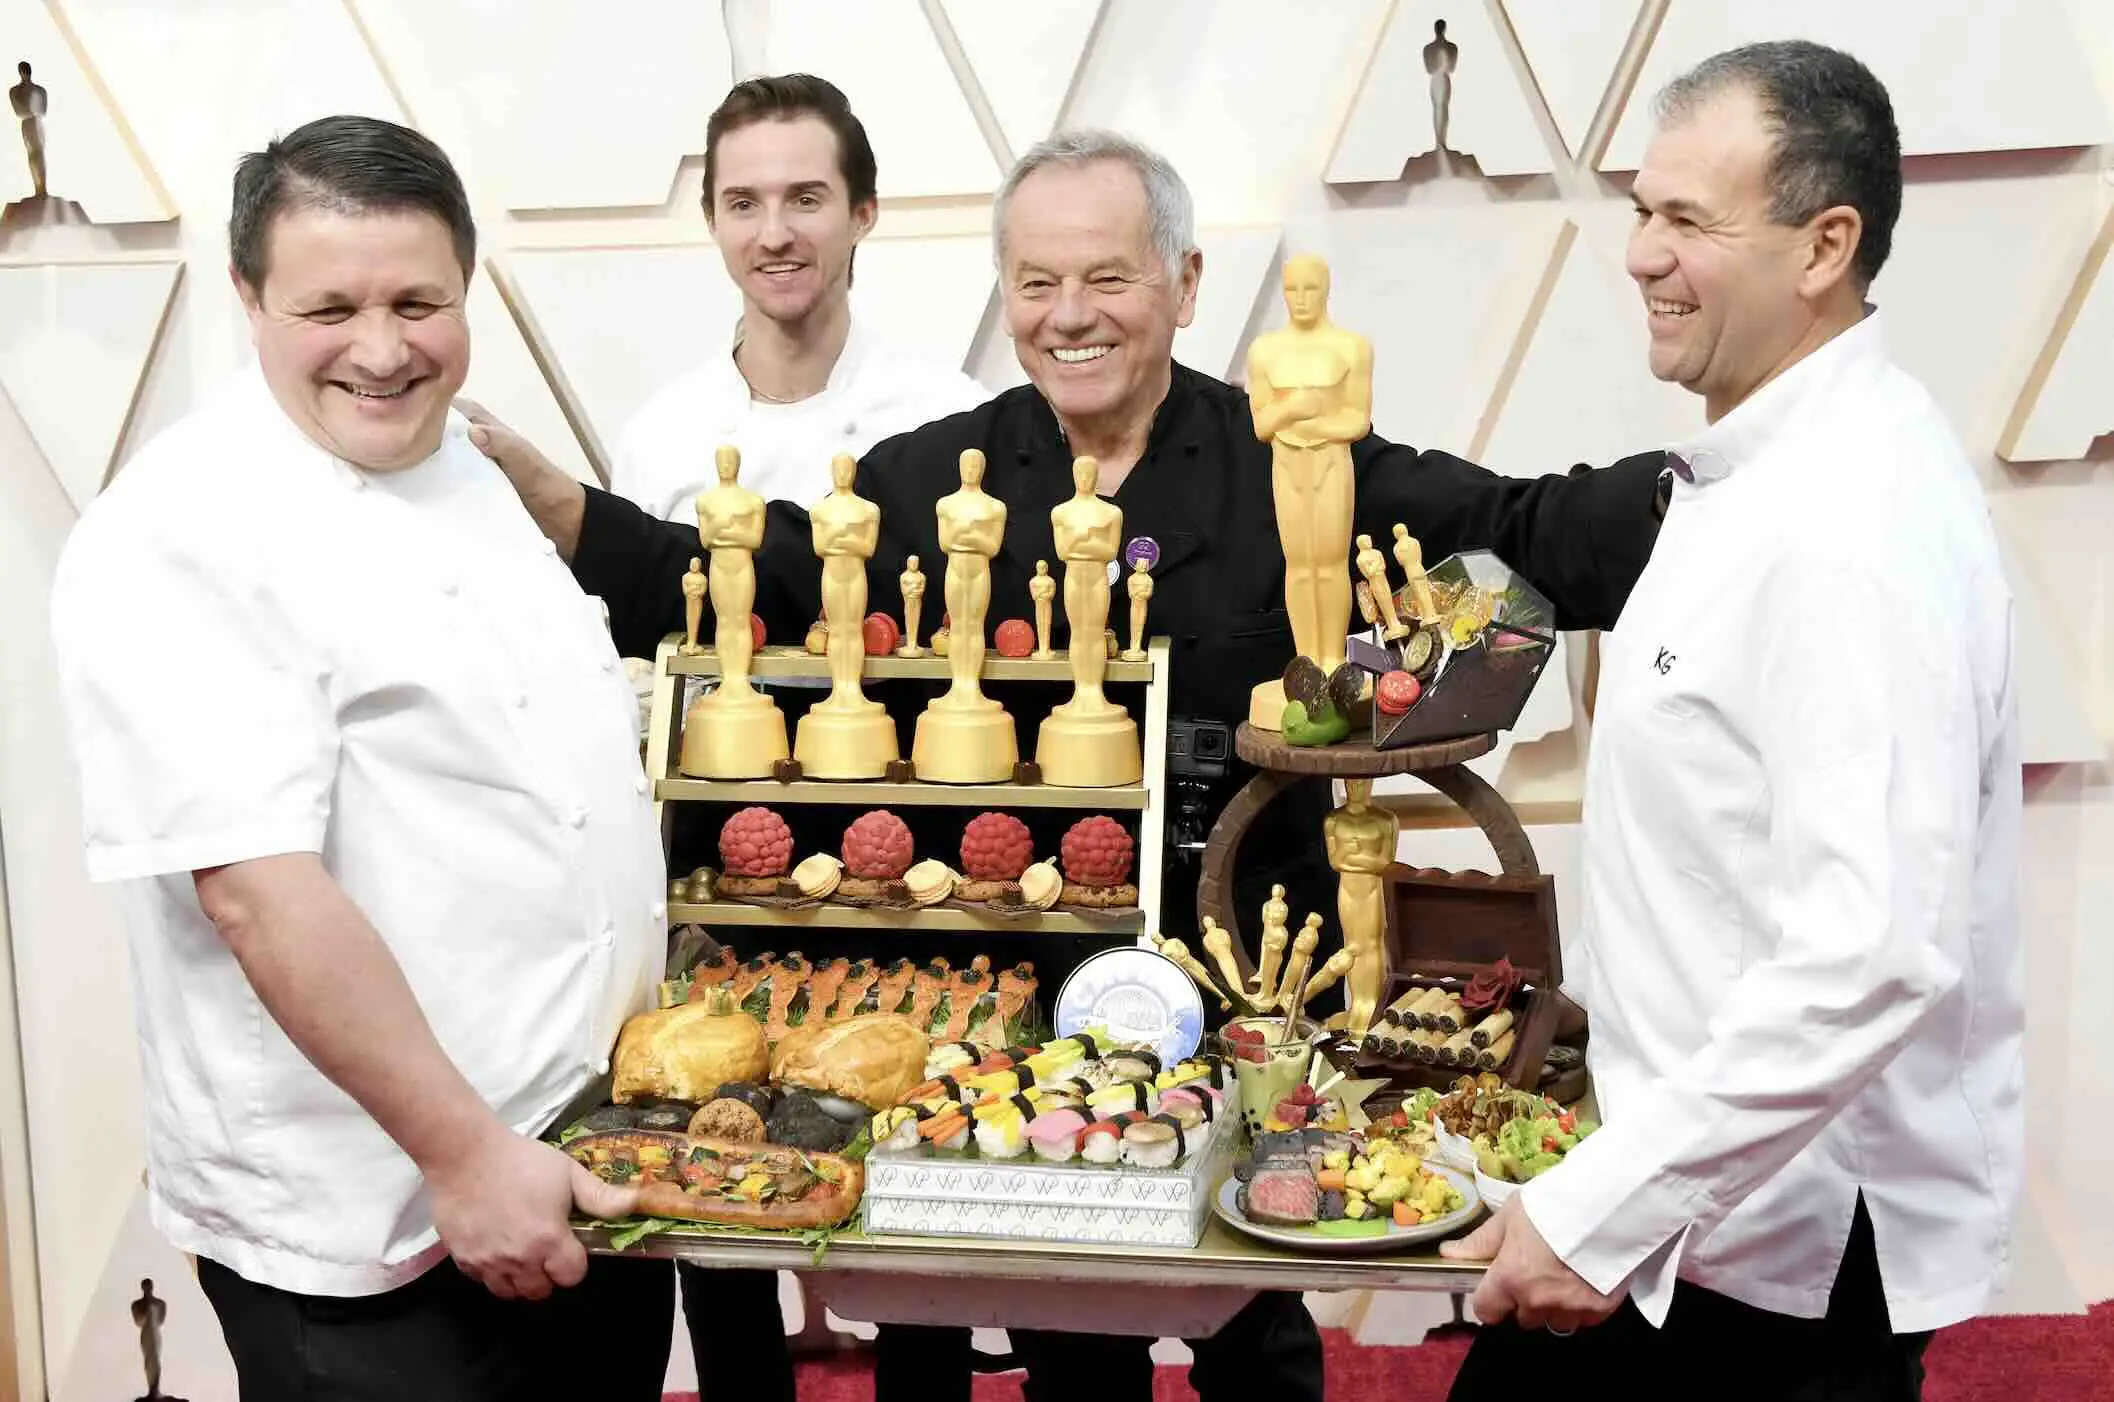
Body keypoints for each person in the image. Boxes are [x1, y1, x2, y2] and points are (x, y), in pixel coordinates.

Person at [472, 127, 1671, 1402]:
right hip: (1022, 998)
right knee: (1057, 1334)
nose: (1068, 316)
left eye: (1106, 278)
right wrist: (556, 498)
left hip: (1254, 971)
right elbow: (753, 580)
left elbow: (1514, 531)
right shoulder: (945, 475)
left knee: (1256, 1323)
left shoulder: (1291, 462)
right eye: (1035, 284)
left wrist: (1708, 488)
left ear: (1185, 284)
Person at [49, 115, 671, 1400]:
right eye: (330, 305)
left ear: (467, 289)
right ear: (246, 297)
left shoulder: (468, 460)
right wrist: (463, 1156)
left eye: (419, 301)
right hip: (387, 1227)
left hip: (581, 1167)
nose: (384, 350)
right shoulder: (179, 530)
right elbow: (257, 894)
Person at [1442, 42, 2022, 1402]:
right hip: (1680, 1210)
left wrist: (1601, 1214)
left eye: (1687, 221)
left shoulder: (1850, 524)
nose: (1640, 256)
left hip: (1772, 1252)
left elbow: (1869, 951)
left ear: (1825, 245)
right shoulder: (1755, 466)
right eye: (1641, 209)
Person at [607, 73, 986, 523]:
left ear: (863, 215)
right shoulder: (658, 439)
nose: (774, 236)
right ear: (712, 220)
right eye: (743, 204)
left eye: (805, 199)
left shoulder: (953, 416)